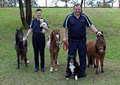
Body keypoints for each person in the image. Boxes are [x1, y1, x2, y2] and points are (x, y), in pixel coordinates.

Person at [62, 4, 102, 78]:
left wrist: (97, 31)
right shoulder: (69, 17)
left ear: (81, 9)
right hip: (72, 40)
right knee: (71, 56)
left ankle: (82, 71)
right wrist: (64, 37)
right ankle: (69, 71)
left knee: (82, 56)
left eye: (78, 9)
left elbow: (90, 25)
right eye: (76, 9)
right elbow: (64, 27)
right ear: (73, 9)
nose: (77, 11)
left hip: (82, 40)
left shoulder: (84, 17)